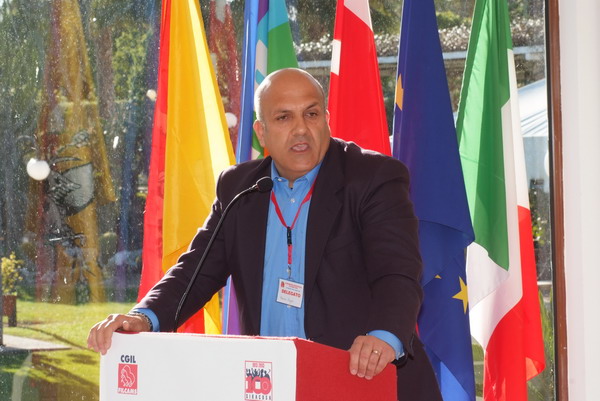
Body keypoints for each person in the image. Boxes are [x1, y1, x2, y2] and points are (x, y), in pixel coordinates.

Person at [88, 68, 442, 400]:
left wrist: (383, 336)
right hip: (271, 383)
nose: (301, 129)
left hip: (362, 379)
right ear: (261, 132)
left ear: (326, 119)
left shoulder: (373, 178)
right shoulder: (239, 188)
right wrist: (143, 317)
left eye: (311, 114)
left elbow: (398, 272)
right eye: (284, 117)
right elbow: (194, 272)